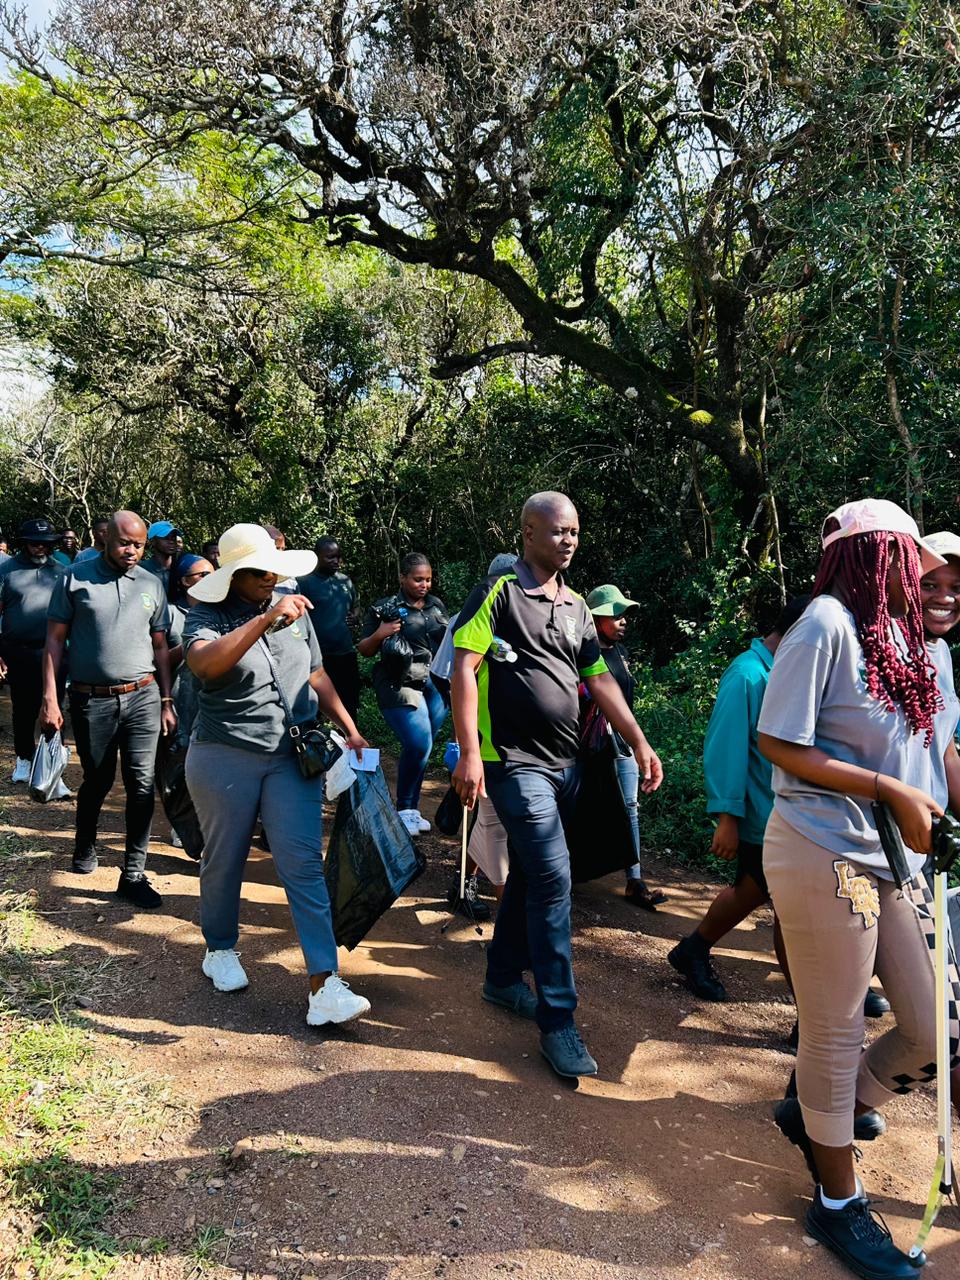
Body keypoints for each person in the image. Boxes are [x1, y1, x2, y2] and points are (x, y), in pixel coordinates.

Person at [758, 498, 960, 1279]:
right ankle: (837, 1201)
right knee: (835, 1032)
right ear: (875, 555)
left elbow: (927, 754)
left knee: (934, 1029)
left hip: (893, 862)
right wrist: (887, 789)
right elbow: (778, 740)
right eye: (909, 555)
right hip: (821, 848)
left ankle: (822, 1116)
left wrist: (928, 805)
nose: (923, 571)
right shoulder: (825, 625)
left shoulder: (907, 640)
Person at [451, 492, 664, 1079]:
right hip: (514, 764)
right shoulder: (500, 593)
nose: (568, 540)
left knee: (529, 873)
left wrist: (639, 741)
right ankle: (559, 1020)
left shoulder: (574, 606)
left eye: (574, 531)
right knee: (553, 878)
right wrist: (470, 753)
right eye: (557, 531)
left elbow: (598, 681)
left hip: (567, 765)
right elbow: (463, 668)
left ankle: (499, 979)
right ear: (527, 533)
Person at [183, 523, 372, 1027]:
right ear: (233, 575)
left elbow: (315, 673)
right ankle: (219, 948)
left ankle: (324, 984)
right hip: (224, 755)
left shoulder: (292, 603)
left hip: (291, 756)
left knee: (304, 865)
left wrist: (350, 728)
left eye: (275, 569)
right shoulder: (206, 614)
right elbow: (204, 664)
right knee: (225, 859)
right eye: (260, 572)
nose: (272, 577)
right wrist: (265, 620)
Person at [668, 596, 810, 1000]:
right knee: (789, 908)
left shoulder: (790, 674)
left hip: (790, 813)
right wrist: (727, 817)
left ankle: (693, 949)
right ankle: (814, 1013)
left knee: (754, 889)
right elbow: (724, 748)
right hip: (761, 817)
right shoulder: (747, 675)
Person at [41, 511, 177, 908]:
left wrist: (167, 700)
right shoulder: (75, 578)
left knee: (141, 784)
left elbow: (160, 646)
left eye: (138, 545)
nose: (131, 551)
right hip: (91, 699)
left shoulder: (152, 583)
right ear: (105, 539)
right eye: (124, 543)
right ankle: (85, 844)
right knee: (97, 780)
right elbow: (53, 642)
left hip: (143, 696)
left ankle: (133, 874)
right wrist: (50, 698)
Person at [431, 553, 518, 920]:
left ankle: (469, 882)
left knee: (490, 815)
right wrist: (464, 733)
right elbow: (444, 674)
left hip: (516, 736)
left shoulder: (527, 617)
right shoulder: (466, 618)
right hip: (482, 737)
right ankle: (465, 885)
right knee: (481, 812)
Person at [585, 584, 667, 911]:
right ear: (596, 617)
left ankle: (635, 880)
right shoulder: (585, 653)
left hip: (622, 745)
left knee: (630, 806)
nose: (623, 621)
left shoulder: (621, 652)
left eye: (624, 615)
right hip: (589, 745)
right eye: (615, 615)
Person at [359, 553, 449, 837]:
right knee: (419, 742)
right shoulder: (385, 608)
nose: (424, 584)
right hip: (400, 684)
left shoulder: (436, 606)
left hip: (434, 683)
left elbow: (446, 641)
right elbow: (364, 649)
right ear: (402, 578)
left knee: (422, 747)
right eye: (417, 579)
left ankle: (411, 808)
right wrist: (381, 633)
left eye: (428, 579)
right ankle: (404, 809)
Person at [0, 519, 68, 786]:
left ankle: (50, 766)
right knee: (23, 706)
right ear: (24, 543)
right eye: (33, 542)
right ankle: (24, 759)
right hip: (17, 650)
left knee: (53, 704)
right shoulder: (7, 571)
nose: (39, 547)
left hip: (54, 652)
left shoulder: (63, 572)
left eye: (45, 543)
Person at [158, 554, 214, 857]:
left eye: (212, 573)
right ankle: (185, 829)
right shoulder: (169, 613)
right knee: (181, 766)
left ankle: (208, 831)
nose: (208, 578)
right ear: (183, 581)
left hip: (216, 702)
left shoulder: (221, 609)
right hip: (182, 698)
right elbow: (159, 659)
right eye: (201, 575)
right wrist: (192, 646)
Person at [296, 538, 360, 720]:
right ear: (317, 557)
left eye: (339, 557)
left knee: (349, 703)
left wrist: (354, 616)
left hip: (345, 652)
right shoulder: (304, 582)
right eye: (330, 557)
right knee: (315, 704)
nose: (336, 561)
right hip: (318, 657)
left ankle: (350, 741)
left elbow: (355, 605)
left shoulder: (345, 581)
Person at [142, 520, 184, 595]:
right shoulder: (143, 569)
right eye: (166, 538)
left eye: (173, 538)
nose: (171, 541)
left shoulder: (183, 568)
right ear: (153, 541)